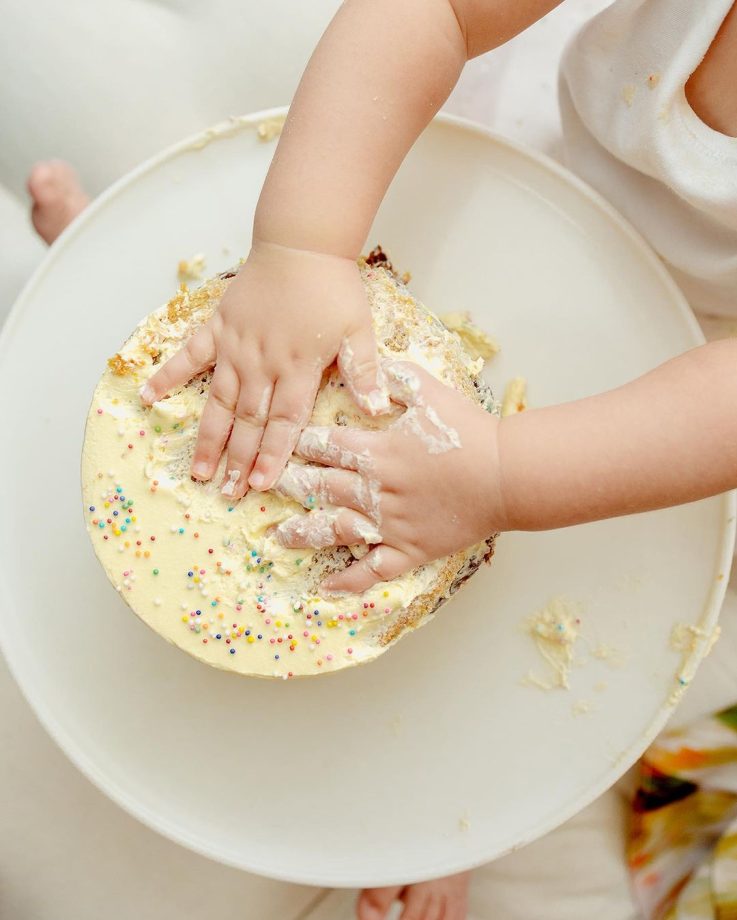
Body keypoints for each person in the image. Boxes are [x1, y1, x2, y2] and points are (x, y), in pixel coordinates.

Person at [26, 1, 737, 916]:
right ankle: (120, 276)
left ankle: (449, 811)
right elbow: (432, 11)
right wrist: (301, 245)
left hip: (671, 387)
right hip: (518, 160)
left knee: (532, 603)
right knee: (262, 331)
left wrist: (500, 478)